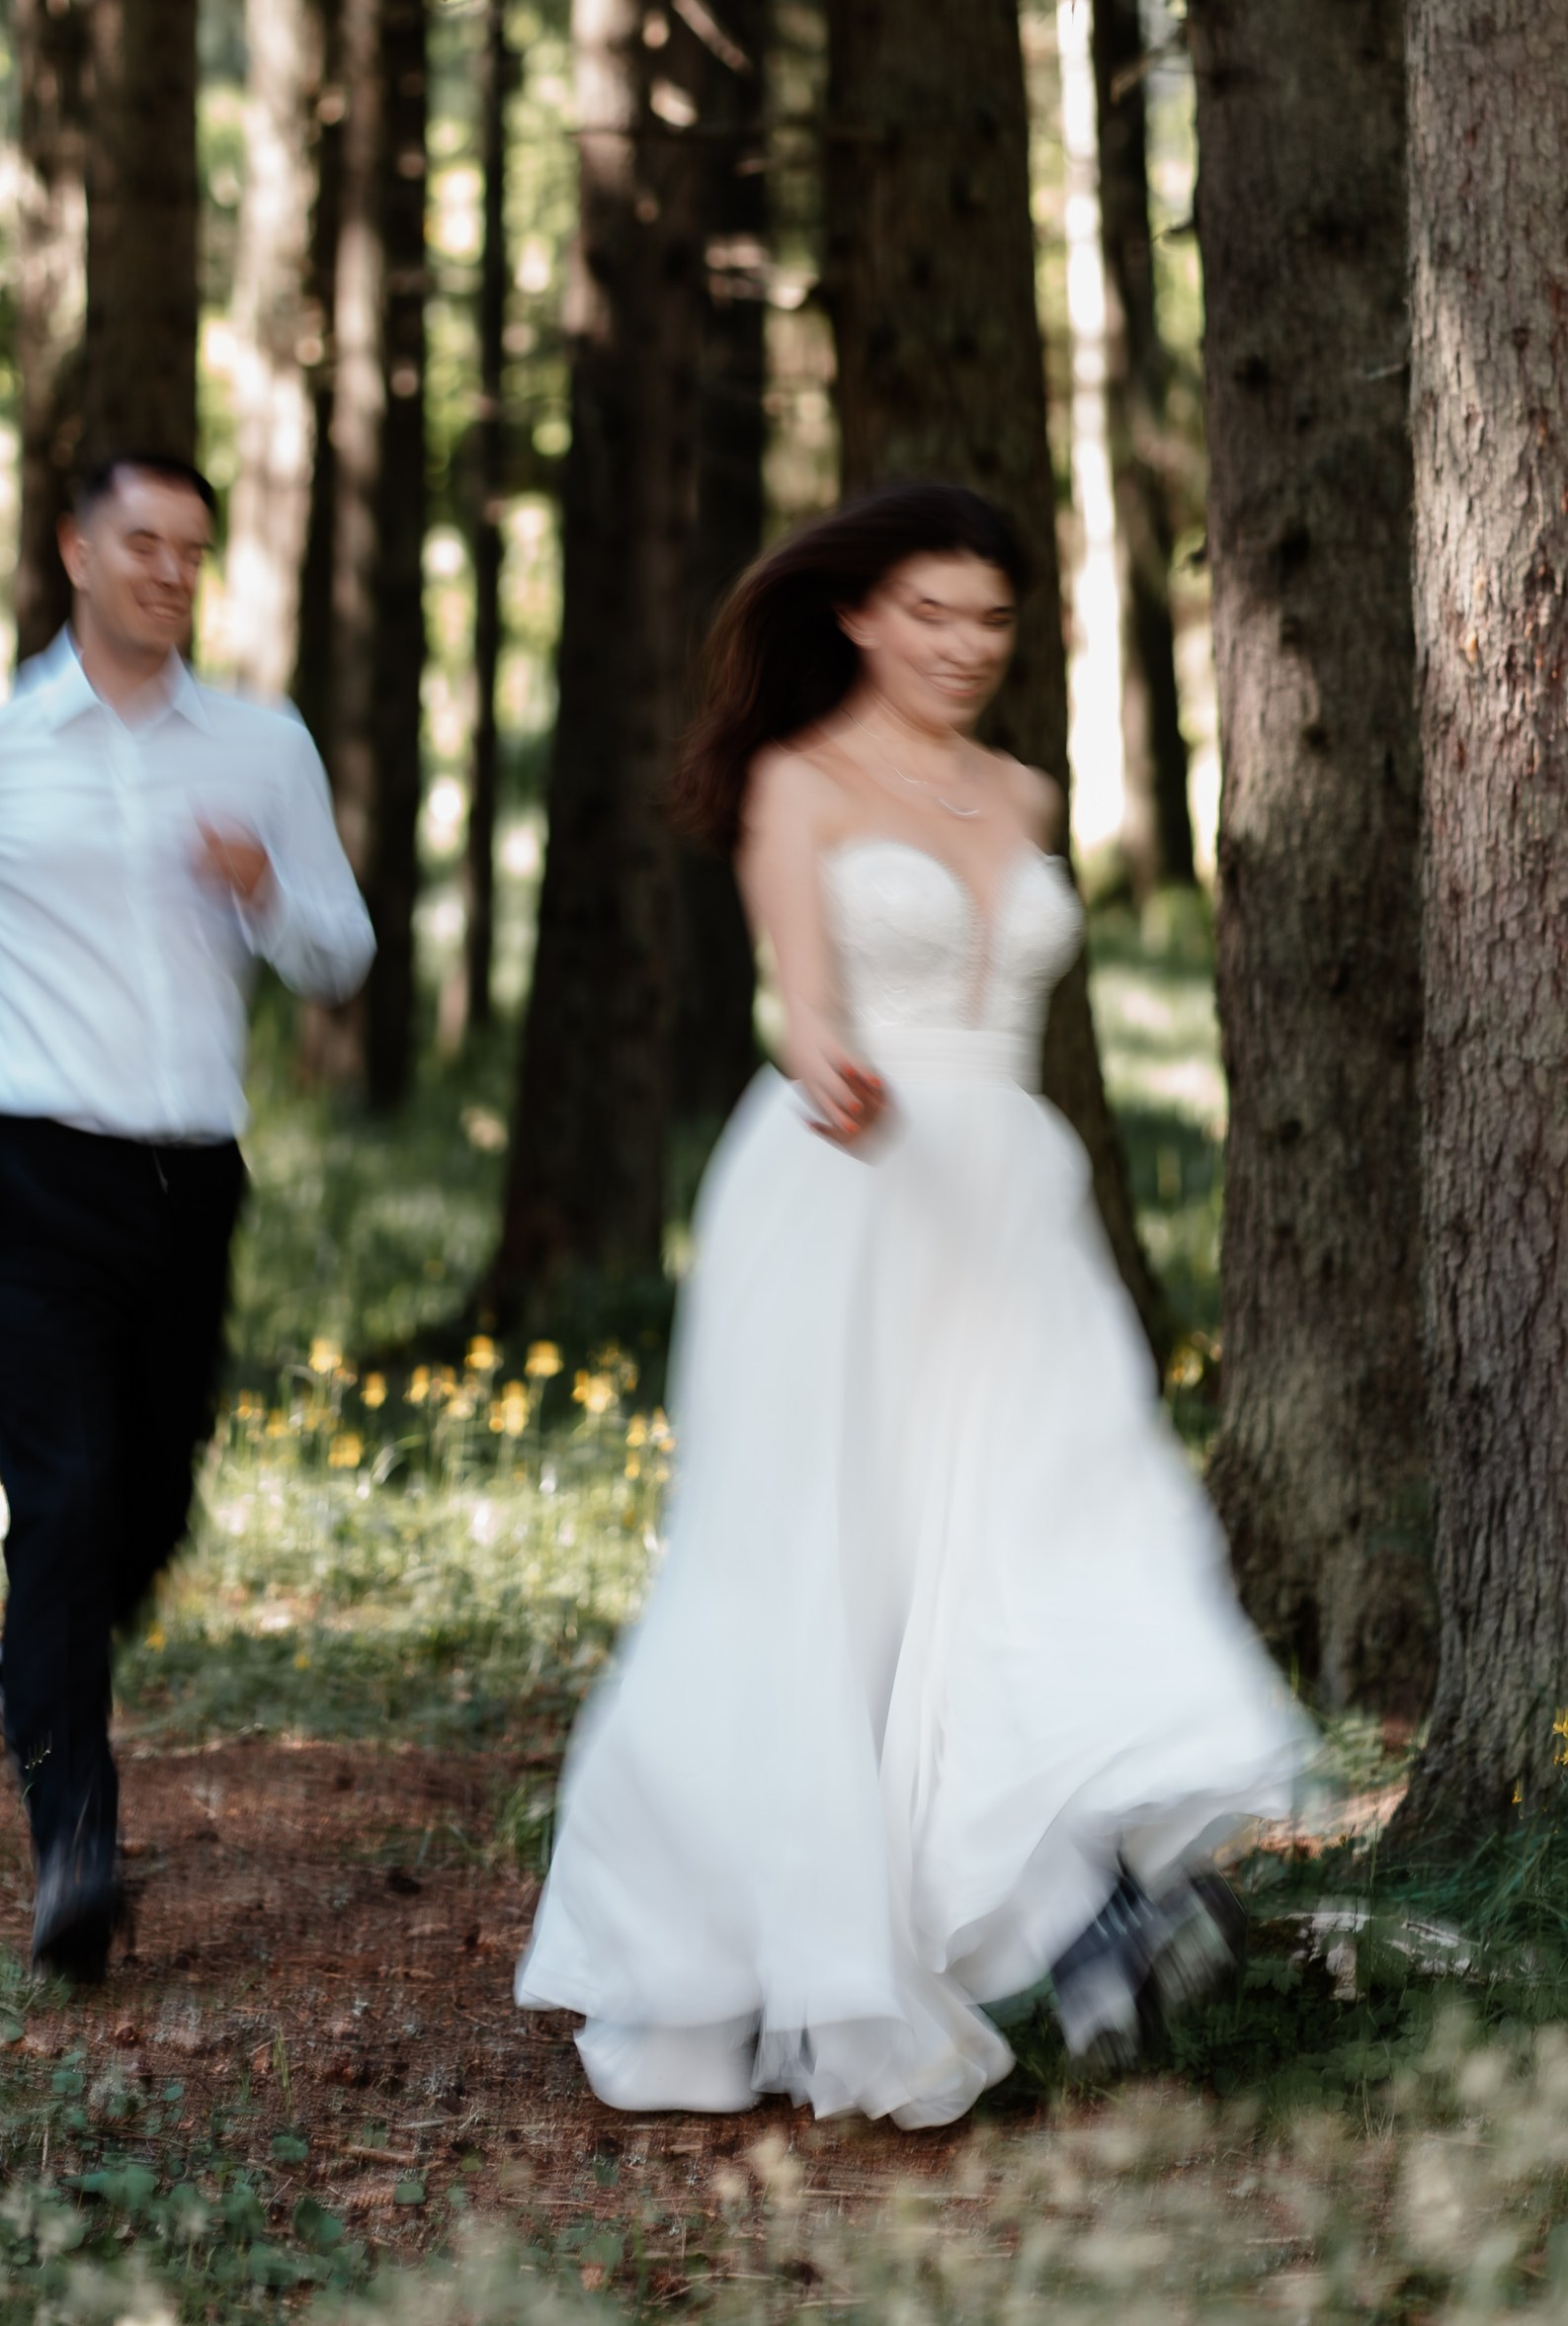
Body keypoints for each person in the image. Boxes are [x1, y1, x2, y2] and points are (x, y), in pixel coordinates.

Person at [515, 481, 1307, 2123]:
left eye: (991, 621)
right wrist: (841, 1078)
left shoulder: (1022, 793)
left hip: (1011, 1212)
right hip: (846, 1196)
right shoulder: (797, 784)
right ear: (862, 616)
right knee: (826, 1576)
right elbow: (807, 1003)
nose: (963, 648)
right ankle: (869, 1932)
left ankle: (1071, 1880)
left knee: (1062, 1524)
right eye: (931, 614)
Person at [0, 453, 372, 1980]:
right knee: (62, 1497)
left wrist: (271, 890)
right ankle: (75, 1850)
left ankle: (28, 1669)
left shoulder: (262, 748)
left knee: (150, 1508)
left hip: (191, 1179)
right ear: (76, 550)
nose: (172, 574)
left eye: (195, 553)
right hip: (36, 1175)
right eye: (144, 544)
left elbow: (340, 954)